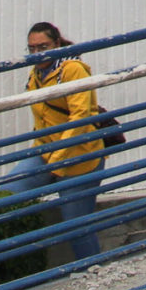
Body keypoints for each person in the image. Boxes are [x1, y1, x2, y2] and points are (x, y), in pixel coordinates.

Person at [18, 21, 107, 265]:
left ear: (57, 44)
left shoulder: (73, 69)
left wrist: (56, 161)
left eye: (44, 47)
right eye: (32, 49)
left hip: (80, 158)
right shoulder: (35, 73)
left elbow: (79, 118)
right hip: (45, 152)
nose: (38, 54)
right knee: (8, 197)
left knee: (77, 226)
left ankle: (94, 274)